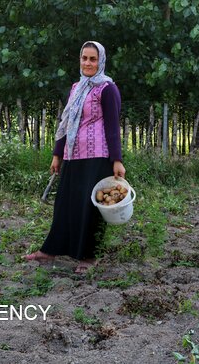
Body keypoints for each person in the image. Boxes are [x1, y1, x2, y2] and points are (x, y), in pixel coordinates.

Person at [25, 41, 126, 273]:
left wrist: (117, 160)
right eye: (84, 58)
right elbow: (66, 122)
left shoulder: (107, 89)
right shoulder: (76, 87)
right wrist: (57, 154)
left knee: (88, 207)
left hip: (97, 157)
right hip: (73, 154)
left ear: (101, 61)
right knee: (64, 204)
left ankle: (89, 257)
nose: (87, 63)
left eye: (93, 59)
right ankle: (50, 250)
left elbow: (112, 127)